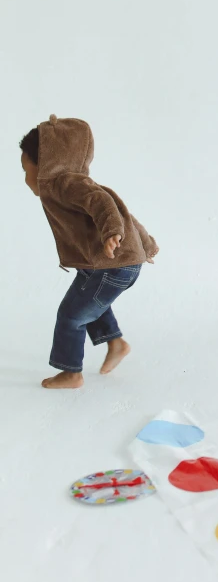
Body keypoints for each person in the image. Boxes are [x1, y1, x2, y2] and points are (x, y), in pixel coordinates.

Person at [20, 115, 159, 390]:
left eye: (27, 170)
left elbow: (106, 205)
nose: (26, 179)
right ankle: (116, 343)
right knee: (89, 302)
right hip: (107, 265)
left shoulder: (66, 184)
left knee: (71, 315)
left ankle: (71, 373)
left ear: (45, 165)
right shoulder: (74, 184)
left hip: (111, 265)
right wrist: (147, 244)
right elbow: (124, 211)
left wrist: (111, 233)